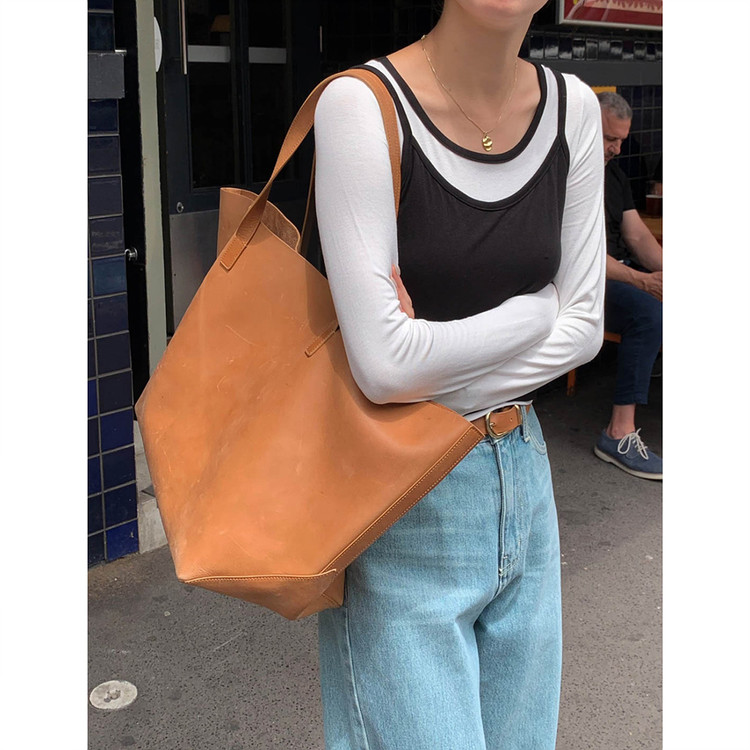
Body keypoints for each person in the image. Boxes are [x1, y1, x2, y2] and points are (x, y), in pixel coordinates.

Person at [312, 1, 606, 747]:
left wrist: (428, 355)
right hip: (402, 492)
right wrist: (533, 314)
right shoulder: (362, 105)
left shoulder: (572, 109)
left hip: (524, 472)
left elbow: (585, 329)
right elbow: (384, 368)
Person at [593, 91, 663, 480]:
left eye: (621, 140)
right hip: (585, 281)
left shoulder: (614, 175)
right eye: (609, 138)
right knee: (649, 313)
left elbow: (636, 235)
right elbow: (581, 254)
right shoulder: (565, 174)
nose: (616, 149)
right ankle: (617, 433)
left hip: (619, 270)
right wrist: (643, 281)